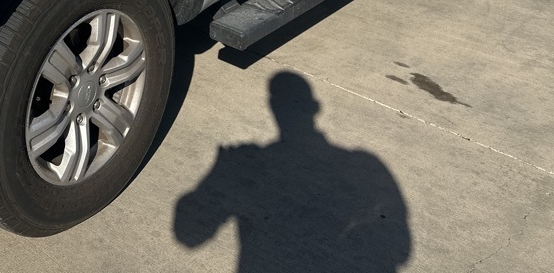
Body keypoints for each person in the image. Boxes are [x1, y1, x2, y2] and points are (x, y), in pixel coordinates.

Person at [174, 72, 410, 271]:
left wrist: (220, 170)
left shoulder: (255, 163)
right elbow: (400, 249)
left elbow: (189, 236)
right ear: (315, 108)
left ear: (272, 108)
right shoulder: (365, 164)